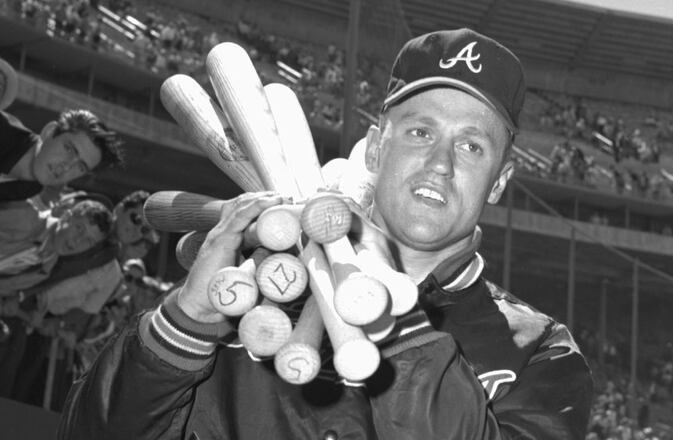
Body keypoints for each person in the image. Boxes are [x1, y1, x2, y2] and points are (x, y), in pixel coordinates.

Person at [59, 28, 593, 439]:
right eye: (420, 131)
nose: (441, 163)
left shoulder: (539, 352)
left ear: (499, 181)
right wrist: (180, 328)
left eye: (472, 146)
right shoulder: (249, 284)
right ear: (375, 149)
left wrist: (394, 322)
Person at [0, 108, 123, 201]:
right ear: (49, 132)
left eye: (81, 167)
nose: (67, 167)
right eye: (68, 149)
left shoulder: (32, 187)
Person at [0, 198, 113, 295]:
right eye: (79, 228)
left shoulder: (44, 270)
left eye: (88, 241)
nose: (78, 240)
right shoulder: (25, 218)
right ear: (66, 217)